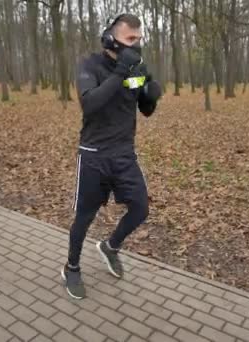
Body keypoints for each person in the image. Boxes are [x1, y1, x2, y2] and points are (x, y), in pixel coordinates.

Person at [61, 13, 162, 299]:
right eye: (130, 39)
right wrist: (120, 73)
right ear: (110, 39)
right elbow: (90, 104)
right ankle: (71, 267)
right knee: (84, 218)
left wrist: (150, 95)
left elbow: (145, 109)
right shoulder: (89, 66)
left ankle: (110, 246)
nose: (136, 45)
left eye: (139, 39)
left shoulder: (136, 68)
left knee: (141, 208)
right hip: (93, 155)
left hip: (124, 155)